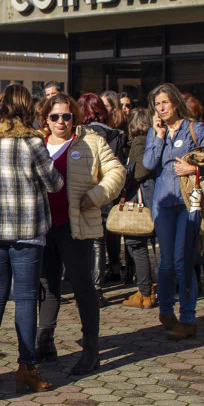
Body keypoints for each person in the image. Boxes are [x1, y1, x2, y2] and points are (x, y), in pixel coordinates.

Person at [0, 84, 64, 393]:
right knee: (25, 297)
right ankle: (26, 367)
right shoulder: (32, 142)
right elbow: (53, 184)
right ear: (27, 108)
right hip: (26, 227)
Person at [36, 93, 123, 375]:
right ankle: (45, 343)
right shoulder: (36, 144)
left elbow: (116, 172)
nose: (60, 121)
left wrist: (96, 195)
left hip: (76, 226)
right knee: (48, 286)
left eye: (66, 116)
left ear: (75, 116)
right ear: (46, 119)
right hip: (43, 227)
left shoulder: (91, 141)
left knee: (83, 287)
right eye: (54, 116)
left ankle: (91, 351)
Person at [143, 83, 204, 340]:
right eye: (157, 105)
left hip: (190, 201)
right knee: (165, 263)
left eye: (164, 102)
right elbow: (148, 164)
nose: (161, 108)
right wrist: (159, 137)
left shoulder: (195, 128)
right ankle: (165, 310)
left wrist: (194, 170)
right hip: (163, 202)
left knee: (182, 260)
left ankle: (188, 318)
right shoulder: (156, 132)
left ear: (175, 102)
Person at [79, 93, 126, 287]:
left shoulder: (80, 134)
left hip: (83, 192)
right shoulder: (116, 134)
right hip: (106, 192)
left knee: (87, 241)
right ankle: (97, 288)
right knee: (101, 240)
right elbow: (120, 165)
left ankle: (86, 283)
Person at [120, 109, 156, 308]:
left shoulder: (139, 141)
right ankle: (147, 289)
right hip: (150, 199)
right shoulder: (150, 140)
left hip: (141, 200)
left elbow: (140, 170)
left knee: (136, 245)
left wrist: (126, 173)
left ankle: (145, 292)